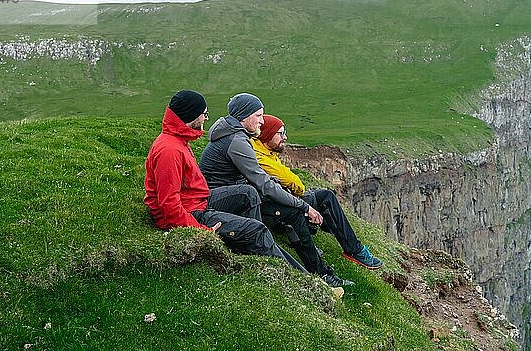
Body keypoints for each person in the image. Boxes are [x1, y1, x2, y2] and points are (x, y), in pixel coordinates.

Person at [199, 93, 353, 287]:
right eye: (258, 115)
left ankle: (319, 272)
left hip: (231, 196)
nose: (262, 121)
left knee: (291, 210)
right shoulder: (236, 141)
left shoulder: (234, 135)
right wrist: (304, 206)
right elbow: (262, 183)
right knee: (293, 210)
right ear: (244, 116)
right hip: (223, 201)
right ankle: (296, 268)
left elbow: (256, 178)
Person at [144, 89, 304, 268]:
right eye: (204, 114)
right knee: (257, 230)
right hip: (190, 212)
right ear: (191, 115)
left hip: (197, 201)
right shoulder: (170, 150)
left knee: (248, 193)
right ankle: (294, 276)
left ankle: (252, 247)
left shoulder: (178, 141)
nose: (206, 118)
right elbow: (168, 204)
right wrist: (202, 231)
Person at [252, 114, 383, 270]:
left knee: (325, 197)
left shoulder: (267, 152)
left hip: (278, 202)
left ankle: (345, 241)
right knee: (326, 198)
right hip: (276, 209)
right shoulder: (260, 156)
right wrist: (298, 189)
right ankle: (354, 251)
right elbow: (294, 182)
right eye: (280, 133)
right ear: (267, 134)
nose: (285, 137)